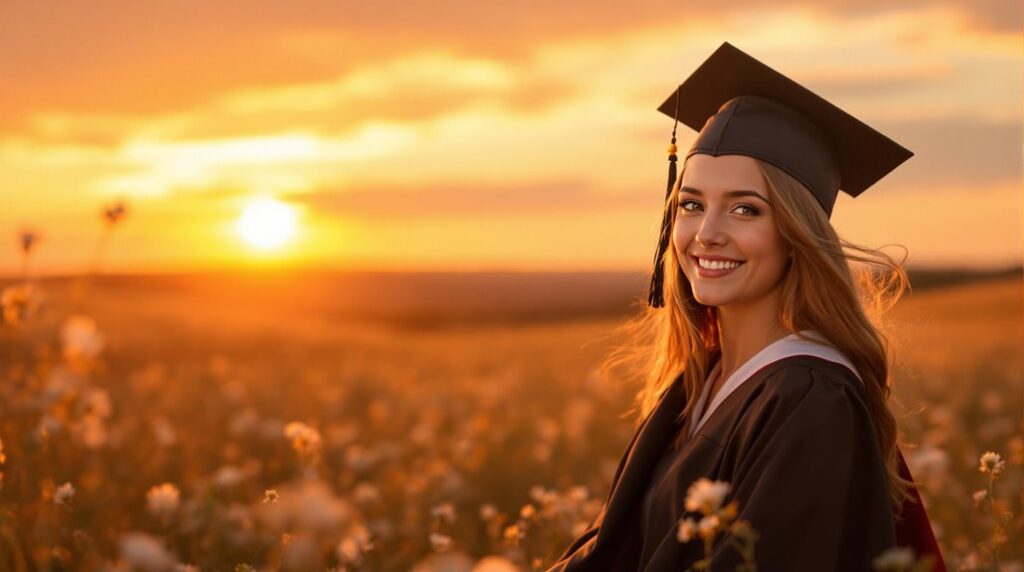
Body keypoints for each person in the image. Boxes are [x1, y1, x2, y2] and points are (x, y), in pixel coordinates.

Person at [547, 42, 946, 571]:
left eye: (744, 209)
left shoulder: (809, 396)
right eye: (691, 204)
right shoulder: (703, 381)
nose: (706, 234)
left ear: (797, 232)